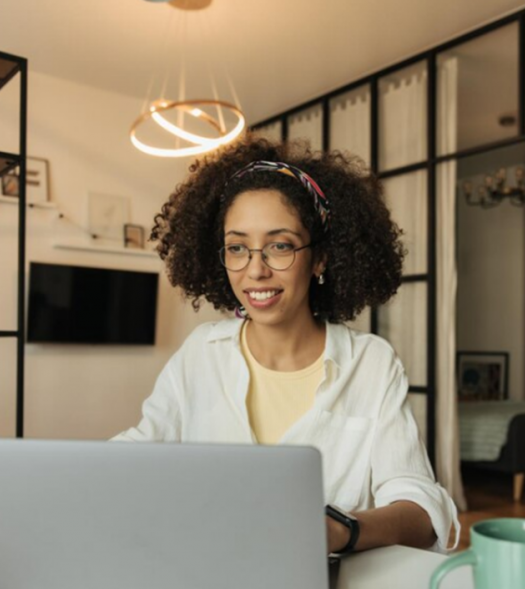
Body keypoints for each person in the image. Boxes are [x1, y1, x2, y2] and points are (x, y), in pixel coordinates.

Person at [111, 136, 459, 554]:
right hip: (207, 569)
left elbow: (422, 513)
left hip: (331, 587)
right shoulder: (202, 352)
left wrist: (340, 529)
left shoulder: (371, 364)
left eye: (280, 246)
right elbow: (138, 453)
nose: (255, 270)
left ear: (320, 259)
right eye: (237, 247)